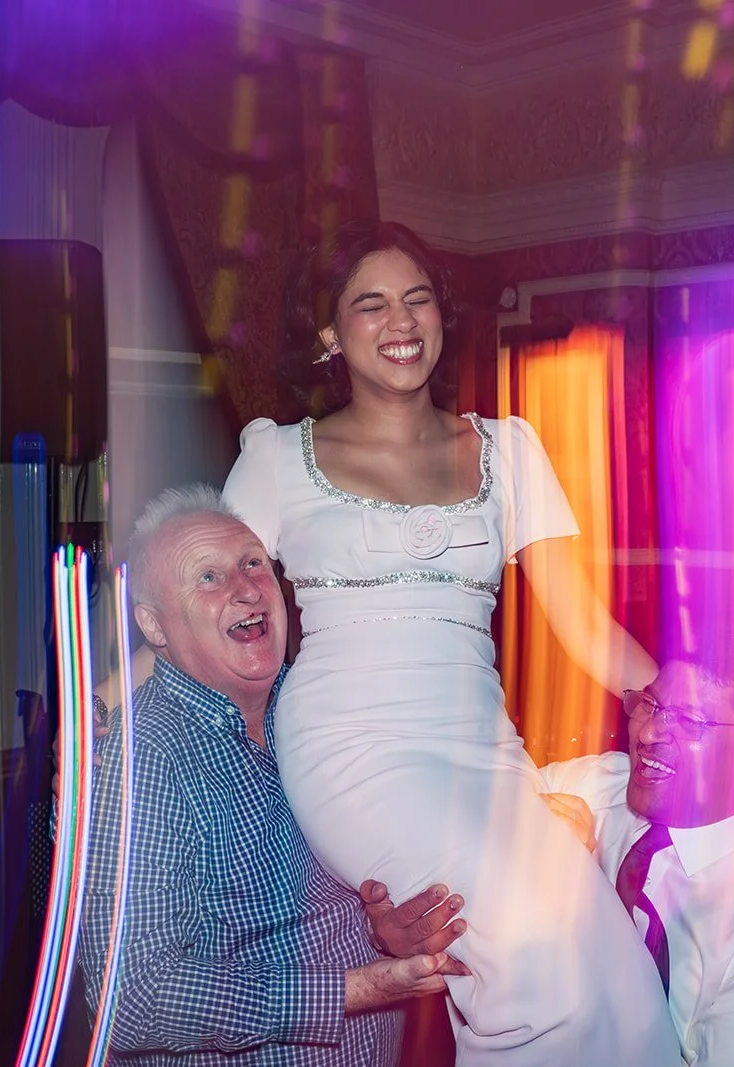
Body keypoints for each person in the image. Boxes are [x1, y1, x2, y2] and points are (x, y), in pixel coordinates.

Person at [220, 220, 679, 1064]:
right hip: (353, 748)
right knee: (541, 981)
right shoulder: (277, 459)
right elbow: (205, 605)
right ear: (329, 334)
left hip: (482, 748)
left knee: (623, 986)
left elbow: (580, 621)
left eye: (418, 298)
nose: (402, 321)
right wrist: (107, 702)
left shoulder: (510, 449)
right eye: (371, 304)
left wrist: (687, 709)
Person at [74, 487, 471, 1065]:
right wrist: (354, 989)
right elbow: (133, 998)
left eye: (252, 563)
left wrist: (385, 930)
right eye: (207, 578)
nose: (244, 588)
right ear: (154, 627)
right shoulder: (144, 763)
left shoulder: (329, 704)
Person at [540, 646, 734, 1067]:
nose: (647, 735)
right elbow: (471, 805)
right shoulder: (600, 787)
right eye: (650, 704)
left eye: (690, 722)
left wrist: (577, 887)